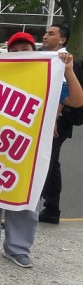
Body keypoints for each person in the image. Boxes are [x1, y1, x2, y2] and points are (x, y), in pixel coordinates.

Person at [0, 31, 82, 268]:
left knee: (27, 197)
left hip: (30, 149)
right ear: (8, 53)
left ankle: (18, 249)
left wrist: (68, 70)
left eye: (25, 49)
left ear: (34, 51)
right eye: (15, 50)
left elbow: (76, 101)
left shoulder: (48, 75)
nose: (20, 53)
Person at [38, 24, 83, 224]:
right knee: (50, 162)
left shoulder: (61, 59)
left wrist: (53, 119)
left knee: (46, 162)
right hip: (52, 120)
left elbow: (61, 92)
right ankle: (50, 209)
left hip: (57, 121)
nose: (45, 36)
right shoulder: (48, 57)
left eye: (51, 34)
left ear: (62, 40)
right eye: (45, 33)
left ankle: (47, 208)